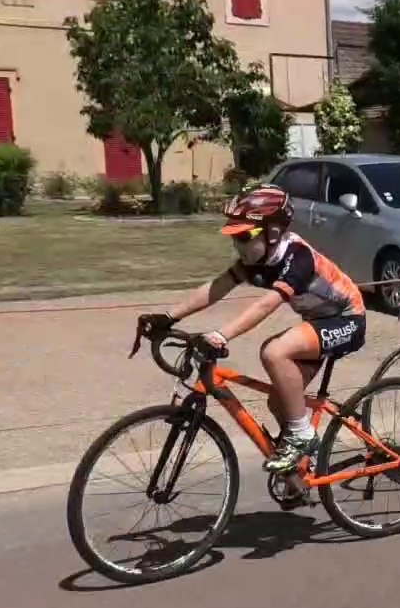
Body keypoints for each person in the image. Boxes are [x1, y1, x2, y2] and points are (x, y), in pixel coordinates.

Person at [145, 184, 367, 473]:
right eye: (233, 237)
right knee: (280, 401)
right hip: (318, 321)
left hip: (348, 319)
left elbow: (266, 305)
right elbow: (217, 287)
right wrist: (168, 317)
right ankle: (299, 467)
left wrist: (222, 334)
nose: (238, 246)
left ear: (273, 232)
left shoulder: (298, 257)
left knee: (274, 352)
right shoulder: (259, 258)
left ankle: (302, 437)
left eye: (244, 237)